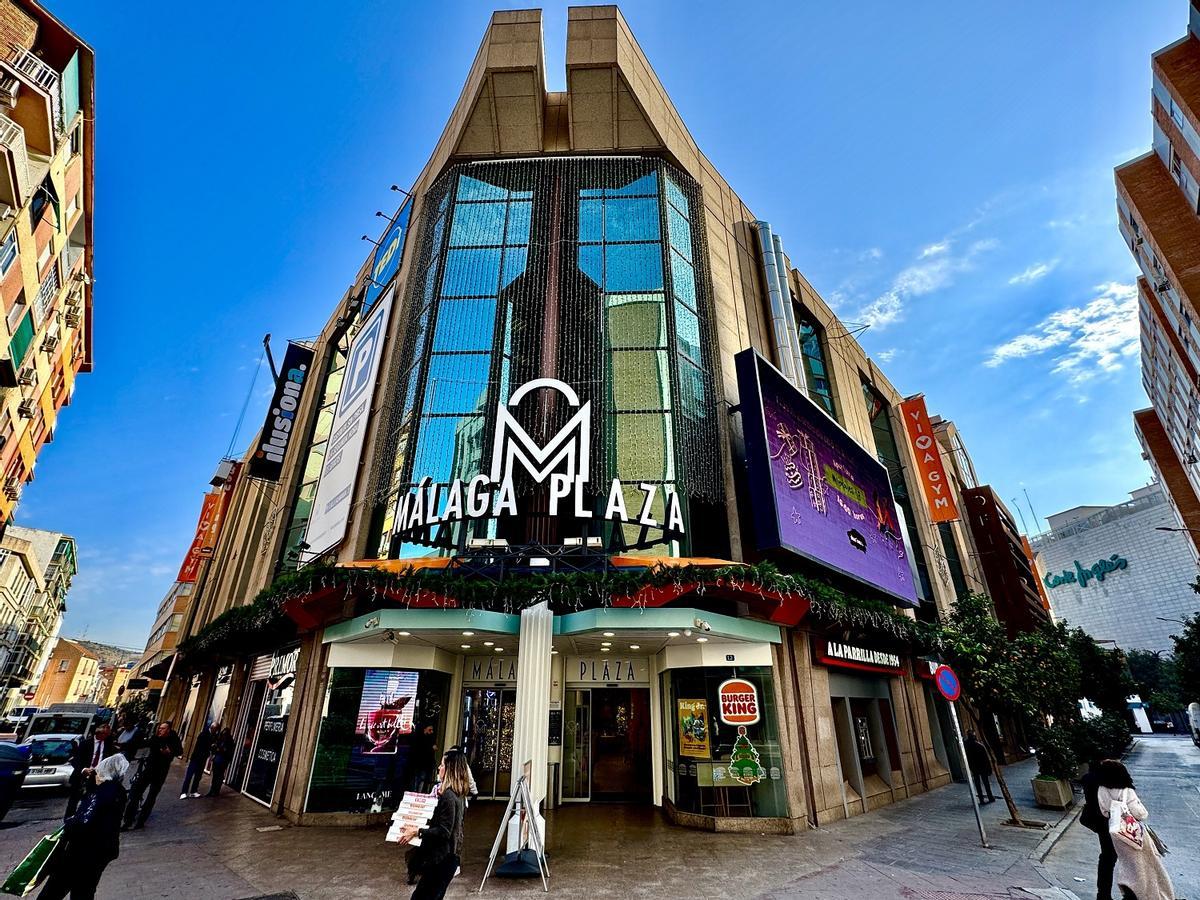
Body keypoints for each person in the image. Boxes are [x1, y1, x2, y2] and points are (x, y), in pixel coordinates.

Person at [38, 753, 130, 900]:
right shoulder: (117, 791)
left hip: (82, 851)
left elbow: (84, 820)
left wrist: (69, 825)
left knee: (54, 890)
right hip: (100, 851)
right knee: (84, 891)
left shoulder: (102, 793)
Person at [1095, 759, 1177, 900]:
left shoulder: (1101, 789)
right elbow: (1140, 814)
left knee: (1126, 865)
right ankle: (1147, 894)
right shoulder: (1127, 790)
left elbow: (1104, 811)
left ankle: (1128, 891)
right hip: (1133, 833)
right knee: (1146, 866)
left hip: (1116, 833)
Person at [398, 749, 470, 900]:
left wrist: (417, 831)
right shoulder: (457, 795)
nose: (439, 768)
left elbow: (444, 831)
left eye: (442, 764)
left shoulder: (449, 796)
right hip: (447, 858)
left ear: (450, 769)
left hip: (442, 858)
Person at [121, 720, 181, 830]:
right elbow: (144, 744)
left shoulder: (173, 740)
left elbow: (179, 751)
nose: (160, 730)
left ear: (168, 730)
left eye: (163, 728)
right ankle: (128, 821)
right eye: (160, 728)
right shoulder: (155, 738)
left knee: (151, 797)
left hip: (160, 772)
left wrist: (170, 752)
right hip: (149, 769)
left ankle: (140, 822)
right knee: (136, 792)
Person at [1080, 760, 1118, 900]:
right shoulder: (1110, 780)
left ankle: (1103, 894)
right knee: (1118, 859)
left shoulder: (1088, 779)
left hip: (1099, 824)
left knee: (1107, 858)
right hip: (1113, 822)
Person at [66, 724, 117, 818]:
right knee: (74, 801)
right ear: (98, 733)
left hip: (98, 776)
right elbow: (75, 760)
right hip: (83, 775)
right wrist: (83, 769)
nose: (105, 736)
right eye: (104, 734)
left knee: (91, 800)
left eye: (107, 734)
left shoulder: (108, 744)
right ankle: (68, 821)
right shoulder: (85, 743)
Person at [180, 722, 218, 799]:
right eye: (216, 729)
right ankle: (183, 792)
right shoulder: (204, 734)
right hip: (196, 758)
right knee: (189, 775)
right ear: (213, 728)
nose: (216, 731)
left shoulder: (212, 735)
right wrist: (211, 745)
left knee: (198, 776)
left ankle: (193, 791)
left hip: (203, 759)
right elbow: (203, 745)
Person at [964, 731, 996, 804]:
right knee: (986, 782)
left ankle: (981, 799)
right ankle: (990, 797)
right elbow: (986, 758)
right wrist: (989, 769)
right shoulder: (979, 746)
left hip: (974, 767)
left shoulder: (966, 746)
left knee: (977, 783)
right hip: (982, 766)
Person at [207, 727, 234, 797]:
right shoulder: (221, 739)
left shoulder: (229, 741)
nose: (223, 735)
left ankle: (215, 791)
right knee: (215, 776)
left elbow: (227, 752)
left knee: (219, 776)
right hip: (218, 759)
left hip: (222, 761)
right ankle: (212, 790)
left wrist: (219, 750)